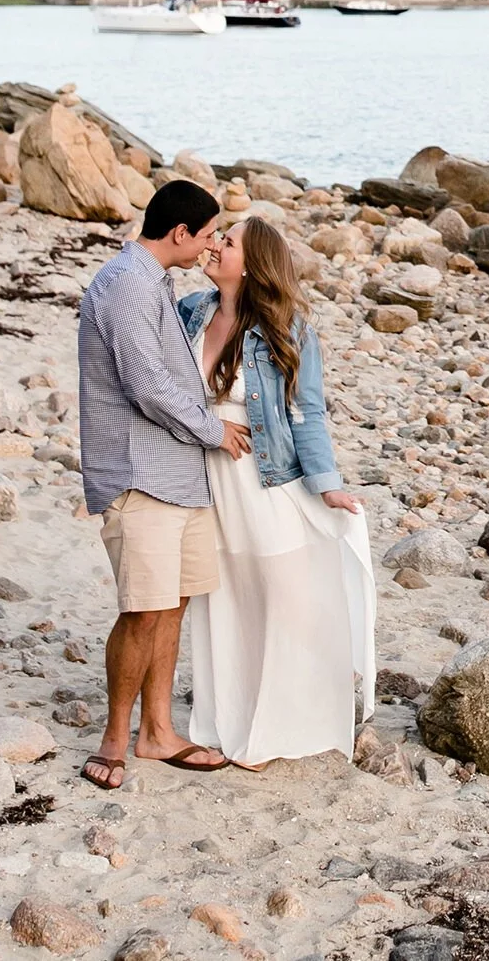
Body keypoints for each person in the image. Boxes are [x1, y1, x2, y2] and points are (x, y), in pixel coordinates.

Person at [179, 218, 376, 768]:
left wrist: (327, 484)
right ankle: (232, 723)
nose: (215, 245)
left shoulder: (288, 329)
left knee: (280, 599)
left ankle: (279, 729)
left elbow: (307, 412)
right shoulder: (190, 313)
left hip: (264, 482)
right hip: (206, 482)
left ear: (253, 264)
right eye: (218, 238)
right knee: (225, 603)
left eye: (228, 242)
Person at [76, 180, 252, 788]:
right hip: (140, 473)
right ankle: (113, 739)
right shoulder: (127, 283)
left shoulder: (158, 283)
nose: (210, 247)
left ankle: (157, 731)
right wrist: (214, 431)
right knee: (143, 611)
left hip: (180, 475)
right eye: (207, 236)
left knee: (172, 606)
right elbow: (148, 386)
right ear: (180, 233)